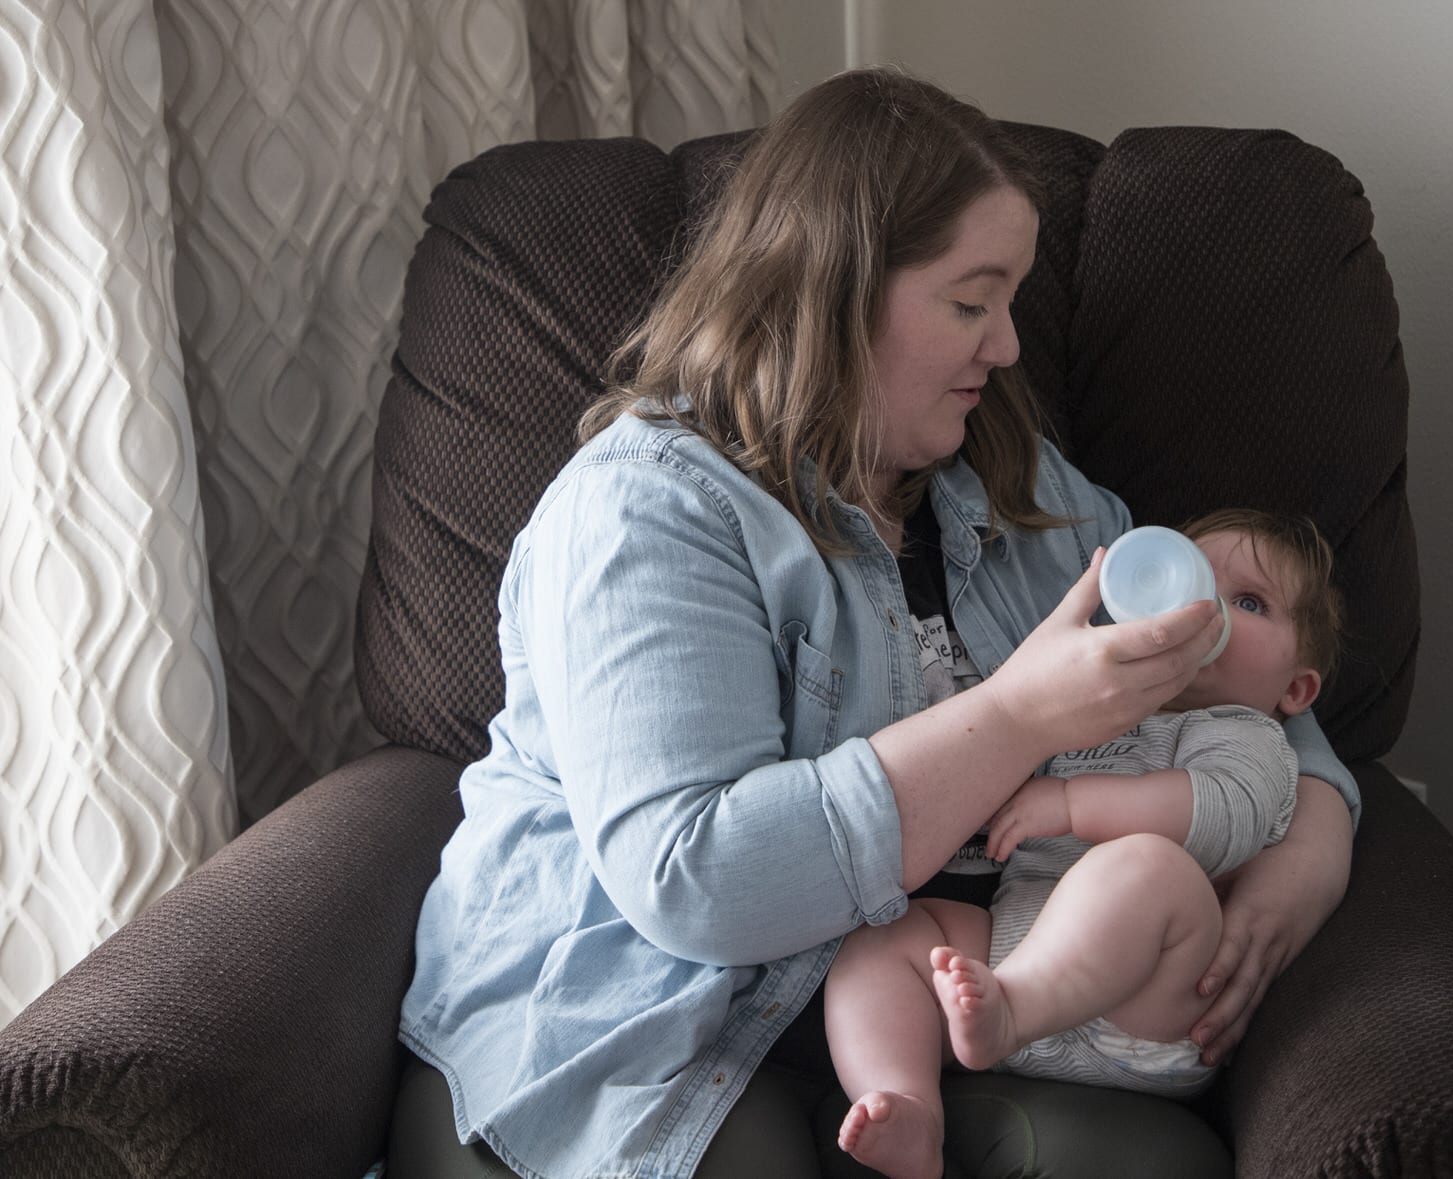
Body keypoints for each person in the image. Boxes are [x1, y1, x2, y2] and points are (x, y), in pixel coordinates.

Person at [398, 67, 1361, 1179]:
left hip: (934, 987)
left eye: (1012, 302)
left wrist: (1313, 846)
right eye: (971, 301)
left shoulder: (1015, 483)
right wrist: (1016, 717)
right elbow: (693, 880)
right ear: (834, 292)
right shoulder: (646, 512)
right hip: (650, 1005)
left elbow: (1217, 661)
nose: (1006, 347)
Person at [826, 510, 1343, 1178]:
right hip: (1010, 953)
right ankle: (906, 1100)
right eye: (1189, 577)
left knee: (1149, 864)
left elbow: (1221, 816)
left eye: (1247, 602)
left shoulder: (1249, 735)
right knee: (884, 939)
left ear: (1296, 688)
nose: (1200, 607)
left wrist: (1071, 803)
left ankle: (1010, 1008)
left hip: (1146, 998)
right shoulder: (1100, 698)